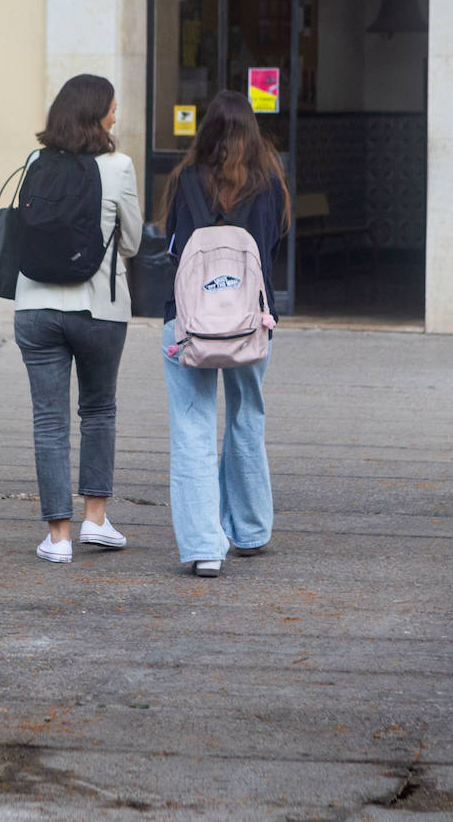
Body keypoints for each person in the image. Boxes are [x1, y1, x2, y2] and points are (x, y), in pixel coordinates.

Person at [159, 89, 290, 578]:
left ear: (206, 132)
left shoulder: (184, 180)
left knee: (192, 429)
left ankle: (203, 547)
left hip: (188, 325)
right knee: (246, 417)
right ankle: (251, 530)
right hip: (251, 324)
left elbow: (172, 248)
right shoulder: (270, 184)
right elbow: (274, 245)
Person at [14, 74, 143, 563]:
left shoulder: (34, 162)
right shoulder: (120, 166)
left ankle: (58, 537)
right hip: (99, 308)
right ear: (96, 114)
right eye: (112, 107)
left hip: (35, 306)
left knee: (49, 422)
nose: (116, 115)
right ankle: (96, 520)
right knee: (98, 410)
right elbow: (130, 242)